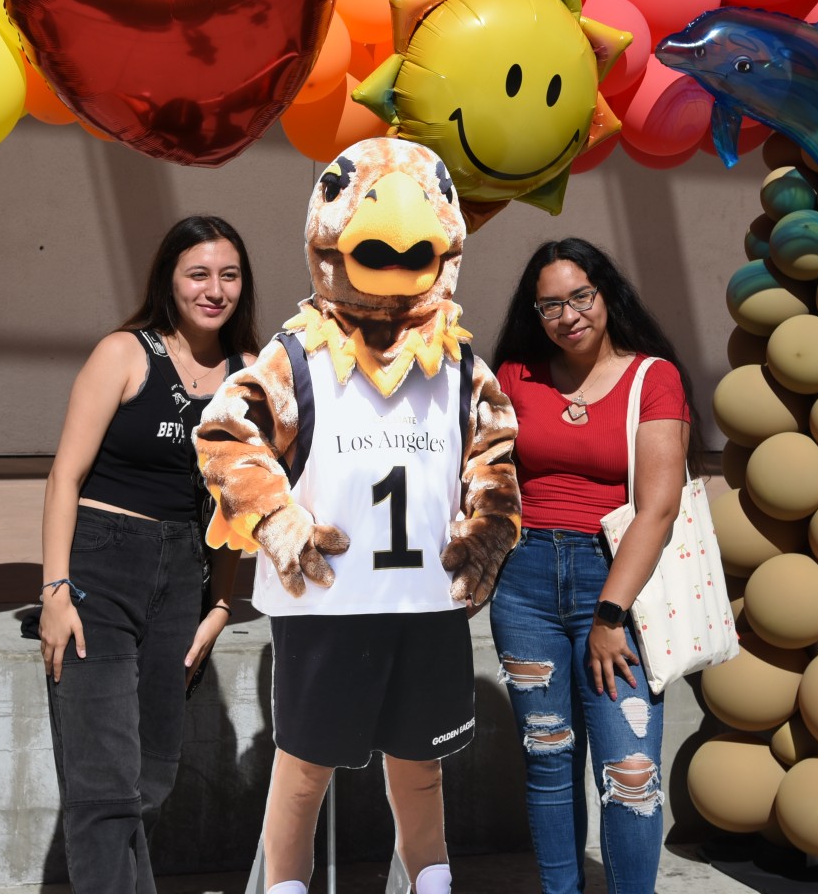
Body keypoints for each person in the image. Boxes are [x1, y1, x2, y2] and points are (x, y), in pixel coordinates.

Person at [196, 138, 521, 894]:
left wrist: (489, 523)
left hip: (424, 605)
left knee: (421, 766)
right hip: (328, 607)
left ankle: (432, 883)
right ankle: (283, 887)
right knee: (304, 768)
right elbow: (226, 434)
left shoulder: (461, 362)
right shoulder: (298, 353)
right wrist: (274, 515)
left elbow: (494, 454)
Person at [38, 215, 258, 894]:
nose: (213, 289)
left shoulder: (249, 376)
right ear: (170, 278)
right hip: (101, 567)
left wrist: (221, 604)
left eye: (228, 275)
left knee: (153, 772)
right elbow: (63, 478)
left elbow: (237, 504)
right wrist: (54, 592)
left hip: (182, 576)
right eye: (198, 273)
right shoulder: (125, 354)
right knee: (104, 784)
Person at [488, 238, 697, 894]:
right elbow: (481, 475)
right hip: (523, 587)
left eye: (581, 296)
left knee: (630, 772)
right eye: (550, 304)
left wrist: (610, 613)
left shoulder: (651, 377)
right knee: (548, 760)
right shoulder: (516, 376)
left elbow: (657, 509)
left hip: (616, 584)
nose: (568, 314)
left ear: (606, 295)